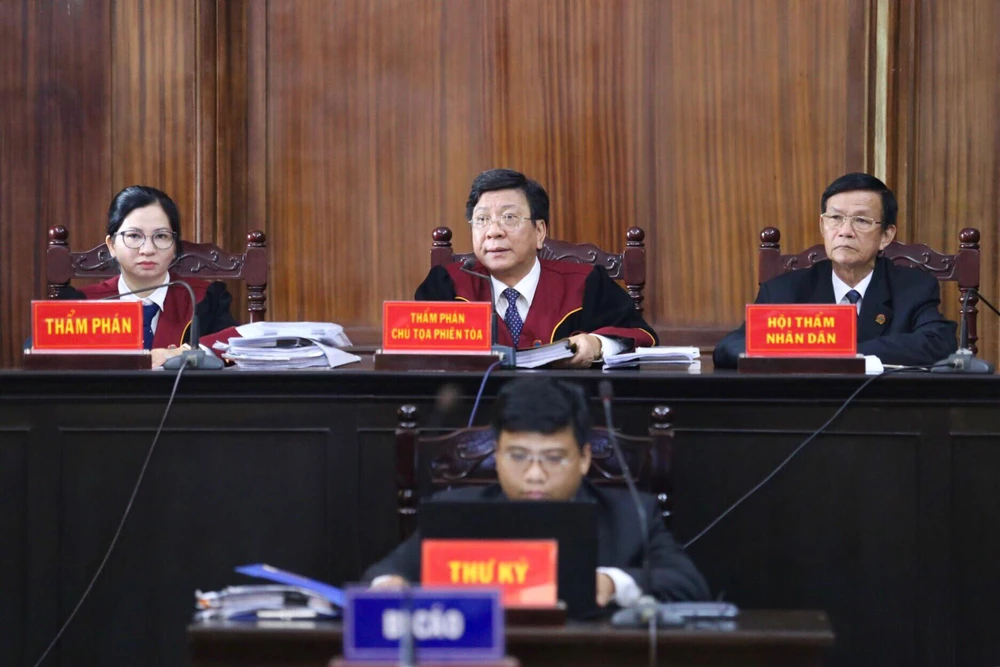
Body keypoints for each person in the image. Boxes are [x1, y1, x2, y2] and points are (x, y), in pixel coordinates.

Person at [363, 378, 710, 608]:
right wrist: (389, 585)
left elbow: (689, 586)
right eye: (518, 456)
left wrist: (611, 583)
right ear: (497, 455)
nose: (534, 475)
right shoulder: (455, 514)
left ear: (584, 458)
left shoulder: (629, 515)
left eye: (553, 458)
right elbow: (382, 575)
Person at [415, 169, 657, 367]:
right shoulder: (447, 285)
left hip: (565, 406)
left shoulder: (586, 283)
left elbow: (642, 336)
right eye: (482, 219)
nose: (493, 231)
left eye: (509, 218)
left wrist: (597, 344)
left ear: (539, 231)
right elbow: (416, 353)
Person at [713, 173, 957, 368]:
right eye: (836, 218)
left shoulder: (913, 288)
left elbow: (939, 342)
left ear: (886, 235)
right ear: (823, 226)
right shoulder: (784, 290)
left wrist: (840, 353)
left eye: (861, 221)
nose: (845, 231)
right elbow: (730, 347)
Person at [57, 185, 238, 367]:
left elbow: (235, 343)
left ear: (175, 246)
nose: (148, 250)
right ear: (112, 245)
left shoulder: (205, 298)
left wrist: (182, 353)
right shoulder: (81, 304)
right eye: (134, 236)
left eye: (161, 236)